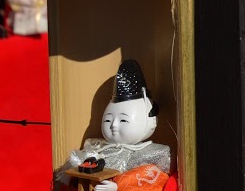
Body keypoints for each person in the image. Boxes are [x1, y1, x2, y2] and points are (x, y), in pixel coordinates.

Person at [55, 60, 173, 189]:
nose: (114, 126)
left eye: (123, 120)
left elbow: (154, 179)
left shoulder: (151, 153)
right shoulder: (97, 147)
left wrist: (118, 187)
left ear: (150, 120)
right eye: (107, 120)